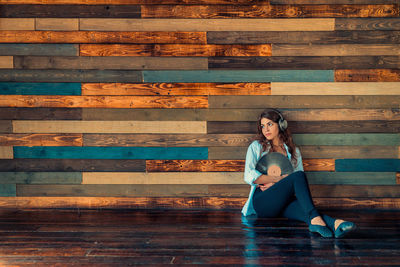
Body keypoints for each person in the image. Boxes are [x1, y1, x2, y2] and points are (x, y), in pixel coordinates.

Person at [242, 108, 356, 238]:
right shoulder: (256, 146)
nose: (266, 129)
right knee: (298, 176)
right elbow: (249, 176)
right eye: (263, 126)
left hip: (282, 201)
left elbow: (298, 185)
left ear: (281, 125)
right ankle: (320, 220)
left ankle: (335, 223)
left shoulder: (293, 151)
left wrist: (277, 183)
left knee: (304, 210)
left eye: (270, 124)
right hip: (262, 201)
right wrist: (278, 180)